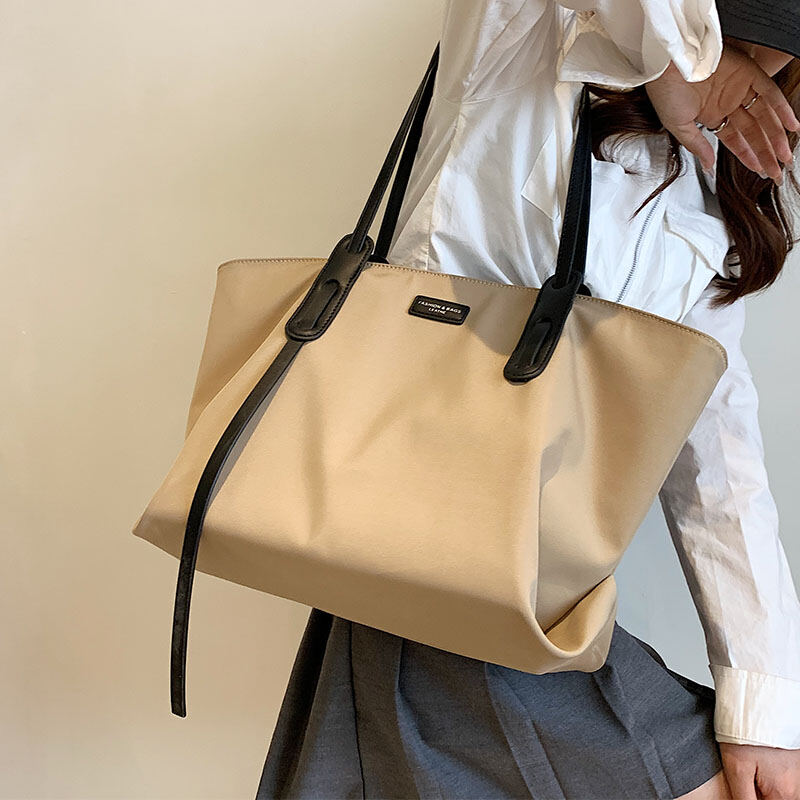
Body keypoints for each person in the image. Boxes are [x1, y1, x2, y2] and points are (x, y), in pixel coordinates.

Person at [256, 2, 800, 798]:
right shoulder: (523, 38)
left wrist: (764, 710)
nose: (755, 64)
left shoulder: (711, 203)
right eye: (736, 25)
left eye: (780, 47)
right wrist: (686, 63)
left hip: (496, 579)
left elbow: (718, 464)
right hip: (431, 537)